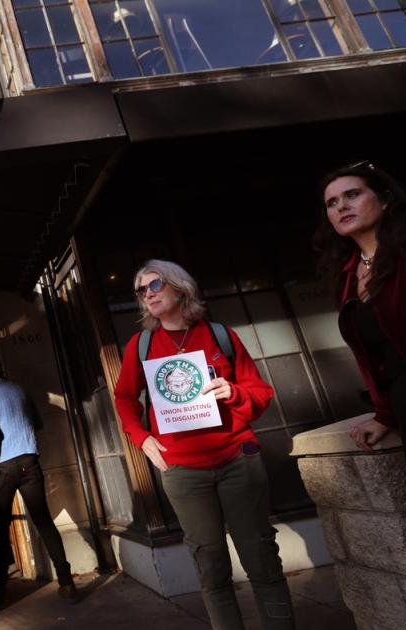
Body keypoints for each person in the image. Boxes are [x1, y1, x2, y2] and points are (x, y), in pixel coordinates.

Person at [114, 260, 295, 630]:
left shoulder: (220, 335)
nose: (147, 294)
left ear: (181, 288)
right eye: (140, 290)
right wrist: (142, 437)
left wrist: (234, 391)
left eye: (154, 285)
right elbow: (124, 398)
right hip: (181, 469)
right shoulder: (141, 345)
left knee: (261, 557)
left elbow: (260, 392)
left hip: (237, 459)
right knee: (210, 566)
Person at [314, 161, 406, 589]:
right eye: (331, 202)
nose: (341, 206)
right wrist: (384, 414)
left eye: (352, 194)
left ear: (385, 197)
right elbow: (379, 357)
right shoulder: (348, 276)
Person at [0, 353, 77, 604]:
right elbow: (37, 423)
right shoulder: (19, 389)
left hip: (4, 468)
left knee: (0, 527)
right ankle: (67, 582)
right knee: (43, 521)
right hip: (30, 462)